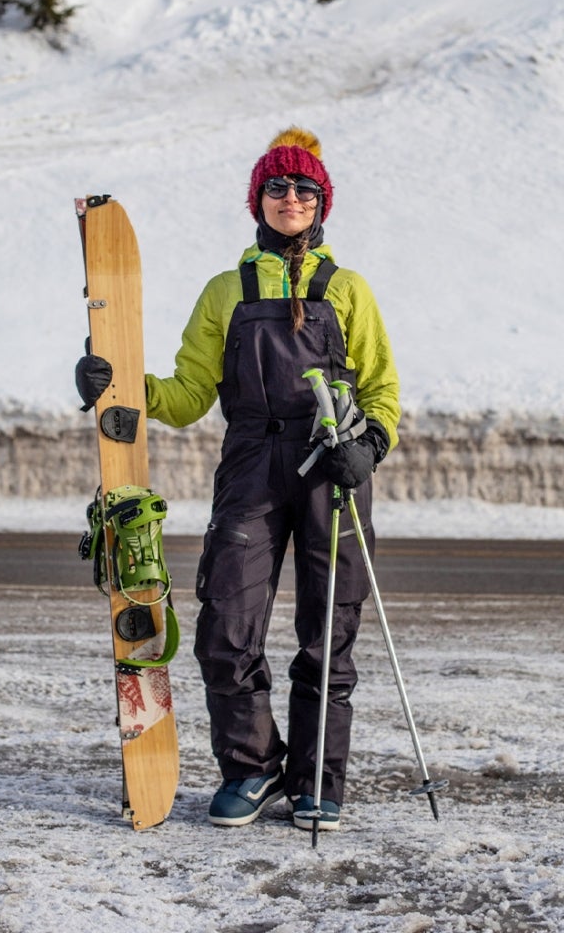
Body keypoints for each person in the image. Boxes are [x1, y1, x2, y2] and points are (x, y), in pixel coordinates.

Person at [75, 128, 400, 830]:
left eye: (303, 189)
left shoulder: (348, 290)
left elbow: (381, 389)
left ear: (322, 205)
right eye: (277, 188)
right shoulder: (227, 291)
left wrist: (367, 447)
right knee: (225, 626)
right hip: (252, 465)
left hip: (331, 471)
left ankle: (317, 778)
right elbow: (189, 393)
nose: (290, 199)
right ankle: (254, 770)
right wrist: (116, 382)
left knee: (327, 634)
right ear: (258, 199)